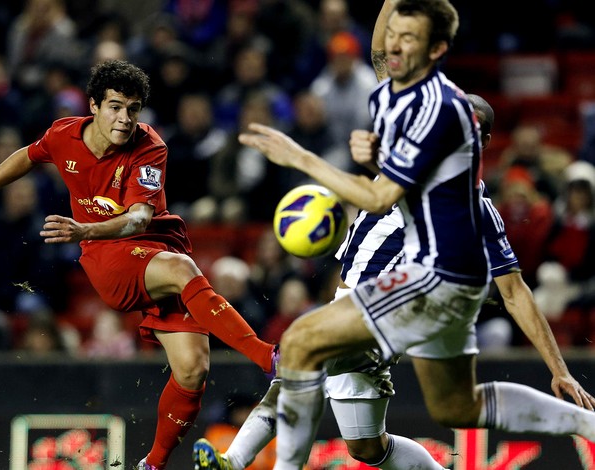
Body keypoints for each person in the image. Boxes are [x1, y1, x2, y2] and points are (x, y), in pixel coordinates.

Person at [192, 1, 595, 467]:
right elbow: (384, 56)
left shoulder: (461, 195)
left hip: (393, 309)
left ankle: (235, 462)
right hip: (373, 306)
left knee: (299, 354)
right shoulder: (427, 152)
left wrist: (301, 159)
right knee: (376, 443)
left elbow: (515, 291)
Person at [0, 59, 279, 470]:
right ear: (94, 105)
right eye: (116, 106)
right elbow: (29, 156)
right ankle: (269, 359)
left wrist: (84, 229)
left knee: (193, 370)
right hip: (108, 257)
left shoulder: (149, 146)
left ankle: (151, 465)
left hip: (146, 242)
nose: (124, 118)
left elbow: (139, 218)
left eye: (133, 109)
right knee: (182, 270)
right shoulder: (64, 134)